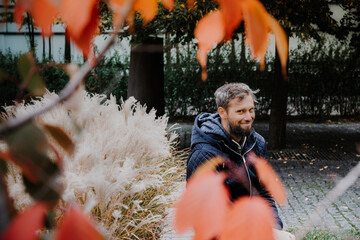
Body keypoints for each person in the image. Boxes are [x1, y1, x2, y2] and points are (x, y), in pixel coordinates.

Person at [186, 82, 295, 240]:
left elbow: (264, 192)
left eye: (251, 110)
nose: (248, 117)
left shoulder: (257, 143)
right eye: (240, 111)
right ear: (222, 112)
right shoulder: (204, 154)